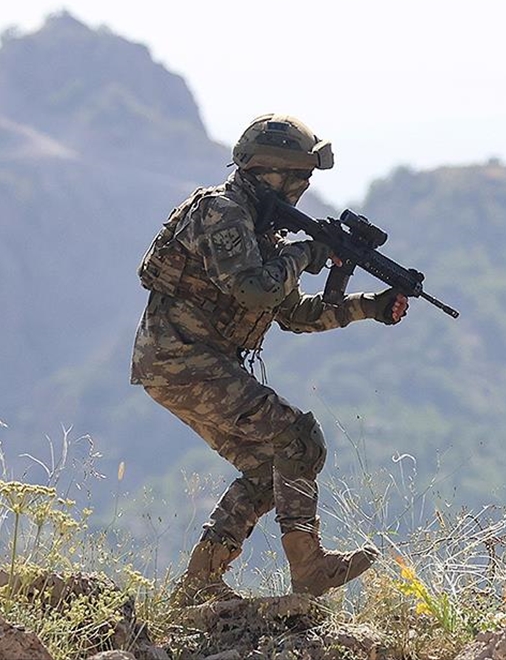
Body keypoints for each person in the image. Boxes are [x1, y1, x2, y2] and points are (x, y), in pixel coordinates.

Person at [130, 113, 408, 605]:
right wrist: (306, 253)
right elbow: (255, 290)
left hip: (188, 363)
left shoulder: (261, 233)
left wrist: (371, 306)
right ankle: (309, 567)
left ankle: (199, 584)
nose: (303, 188)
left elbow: (295, 315)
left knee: (268, 469)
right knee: (297, 438)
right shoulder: (222, 213)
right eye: (299, 177)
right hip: (181, 359)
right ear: (269, 172)